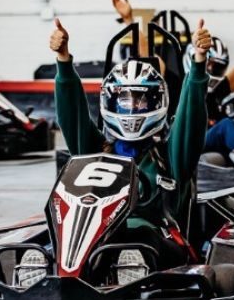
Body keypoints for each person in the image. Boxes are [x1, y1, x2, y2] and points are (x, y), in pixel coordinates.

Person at [49, 15, 211, 268]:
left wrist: (198, 63)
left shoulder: (171, 155)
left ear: (156, 103)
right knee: (47, 237)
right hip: (96, 242)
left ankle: (127, 270)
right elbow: (73, 117)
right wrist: (63, 61)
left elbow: (191, 118)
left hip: (158, 244)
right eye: (124, 101)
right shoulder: (96, 152)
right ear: (111, 103)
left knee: (138, 238)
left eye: (140, 100)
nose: (132, 108)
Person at [111, 0, 234, 158]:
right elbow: (147, 53)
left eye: (217, 67)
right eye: (209, 64)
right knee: (226, 126)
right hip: (182, 143)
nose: (211, 70)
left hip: (211, 142)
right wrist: (129, 20)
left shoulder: (219, 89)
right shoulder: (174, 82)